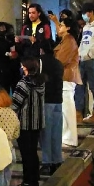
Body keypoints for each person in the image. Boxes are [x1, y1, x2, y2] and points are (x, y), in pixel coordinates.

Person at [12, 58, 46, 186]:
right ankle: (34, 180)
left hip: (24, 123)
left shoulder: (23, 83)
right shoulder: (41, 82)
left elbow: (15, 103)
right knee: (33, 152)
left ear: (26, 68)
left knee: (26, 154)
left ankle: (27, 182)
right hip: (37, 122)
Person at [37, 39, 65, 177]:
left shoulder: (41, 62)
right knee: (56, 132)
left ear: (41, 50)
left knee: (46, 133)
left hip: (46, 100)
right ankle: (57, 160)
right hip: (58, 100)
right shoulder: (59, 63)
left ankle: (47, 162)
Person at [55, 16, 83, 147]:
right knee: (64, 108)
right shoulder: (65, 40)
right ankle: (66, 136)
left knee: (67, 109)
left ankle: (69, 138)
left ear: (68, 27)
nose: (59, 27)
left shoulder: (69, 41)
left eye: (61, 25)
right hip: (64, 77)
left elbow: (61, 60)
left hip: (66, 76)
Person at [0, 21, 21, 93]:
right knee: (5, 89)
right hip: (3, 68)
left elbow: (17, 50)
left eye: (3, 28)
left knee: (16, 89)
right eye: (0, 29)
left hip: (14, 68)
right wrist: (9, 54)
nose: (2, 30)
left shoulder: (10, 39)